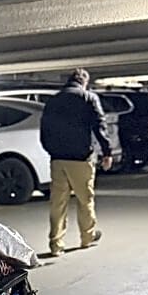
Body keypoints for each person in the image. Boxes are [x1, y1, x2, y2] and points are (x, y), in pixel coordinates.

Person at [39, 69, 113, 257]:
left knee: (58, 203)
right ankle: (87, 237)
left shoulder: (53, 100)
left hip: (58, 158)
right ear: (84, 82)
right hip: (81, 158)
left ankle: (56, 244)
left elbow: (44, 128)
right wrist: (107, 152)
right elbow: (100, 125)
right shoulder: (88, 98)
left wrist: (51, 149)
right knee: (85, 199)